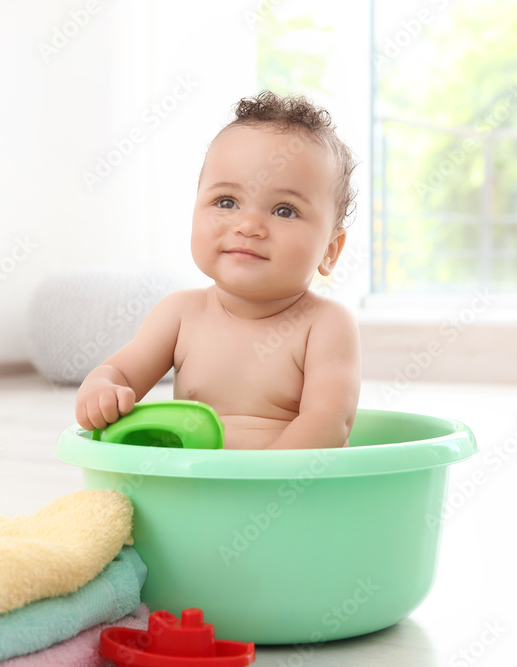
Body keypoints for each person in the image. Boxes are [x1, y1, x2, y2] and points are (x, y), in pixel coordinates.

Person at [75, 90, 361, 449]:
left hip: (285, 495)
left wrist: (260, 483)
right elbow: (118, 372)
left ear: (330, 251)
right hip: (194, 486)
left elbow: (329, 421)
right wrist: (101, 390)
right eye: (227, 202)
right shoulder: (179, 314)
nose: (248, 225)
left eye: (284, 210)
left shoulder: (326, 325)